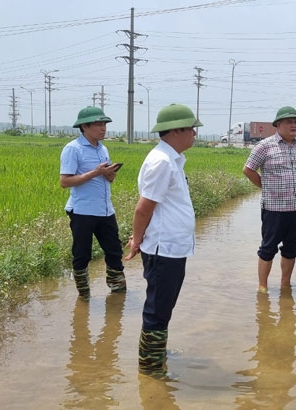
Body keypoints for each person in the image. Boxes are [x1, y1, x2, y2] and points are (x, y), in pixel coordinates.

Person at [125, 103, 202, 377]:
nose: (195, 133)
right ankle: (149, 368)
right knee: (157, 308)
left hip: (172, 246)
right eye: (191, 128)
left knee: (164, 305)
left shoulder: (172, 160)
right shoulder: (161, 162)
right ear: (175, 131)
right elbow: (143, 208)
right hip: (163, 248)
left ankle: (156, 352)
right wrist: (137, 240)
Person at [60, 106, 126, 300]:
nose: (103, 128)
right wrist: (95, 172)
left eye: (104, 124)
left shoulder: (103, 149)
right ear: (85, 126)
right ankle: (84, 297)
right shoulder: (73, 149)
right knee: (82, 255)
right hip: (82, 211)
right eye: (99, 124)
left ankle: (118, 293)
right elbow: (65, 181)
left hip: (105, 210)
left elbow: (107, 180)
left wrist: (109, 174)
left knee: (114, 251)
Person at [243, 106, 296, 293]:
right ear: (278, 124)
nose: (293, 125)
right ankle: (262, 286)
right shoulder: (265, 146)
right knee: (268, 248)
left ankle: (285, 284)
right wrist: (266, 187)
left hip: (295, 209)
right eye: (289, 121)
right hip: (273, 209)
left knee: (291, 249)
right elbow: (248, 170)